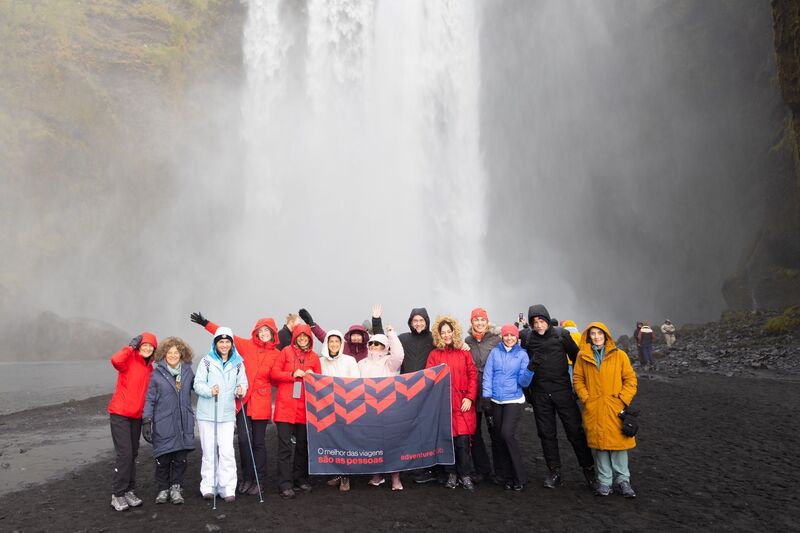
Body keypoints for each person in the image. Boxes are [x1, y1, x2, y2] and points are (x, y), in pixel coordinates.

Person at [190, 312, 280, 496]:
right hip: (243, 400)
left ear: (273, 333)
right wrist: (205, 323)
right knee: (244, 441)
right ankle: (247, 478)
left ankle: (259, 480)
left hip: (261, 402)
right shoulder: (246, 345)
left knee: (258, 443)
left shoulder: (276, 354)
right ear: (256, 331)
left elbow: (277, 378)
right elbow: (225, 336)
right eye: (261, 330)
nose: (264, 333)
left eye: (267, 331)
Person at [521, 304, 595, 489]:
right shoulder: (527, 338)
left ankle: (589, 470)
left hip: (563, 392)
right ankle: (554, 472)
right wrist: (527, 393)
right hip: (540, 394)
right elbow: (517, 359)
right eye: (534, 322)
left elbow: (578, 360)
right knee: (546, 434)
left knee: (575, 432)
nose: (538, 325)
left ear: (547, 319)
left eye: (541, 320)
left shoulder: (562, 335)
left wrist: (579, 387)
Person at [573, 322, 638, 498]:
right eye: (593, 334)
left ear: (606, 336)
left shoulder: (620, 355)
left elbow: (630, 380)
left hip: (615, 407)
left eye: (599, 333)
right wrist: (587, 399)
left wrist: (622, 399)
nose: (596, 337)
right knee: (600, 445)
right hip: (595, 407)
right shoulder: (582, 356)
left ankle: (623, 481)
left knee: (618, 445)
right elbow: (578, 379)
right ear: (589, 336)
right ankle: (604, 482)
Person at [193, 327, 247, 502]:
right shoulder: (206, 361)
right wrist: (209, 390)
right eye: (221, 341)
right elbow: (197, 384)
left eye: (227, 342)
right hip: (207, 414)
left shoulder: (238, 362)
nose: (224, 345)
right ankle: (208, 486)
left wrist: (241, 389)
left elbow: (243, 383)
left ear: (231, 343)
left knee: (227, 451)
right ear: (215, 343)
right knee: (209, 451)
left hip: (226, 414)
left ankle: (227, 488)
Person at [427, 315, 478, 491]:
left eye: (449, 332)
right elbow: (430, 379)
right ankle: (451, 474)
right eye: (443, 333)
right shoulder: (434, 355)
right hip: (444, 406)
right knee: (446, 442)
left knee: (463, 442)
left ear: (454, 332)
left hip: (462, 404)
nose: (447, 335)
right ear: (438, 335)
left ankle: (465, 475)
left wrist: (470, 397)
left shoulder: (464, 352)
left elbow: (473, 375)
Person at [142, 337, 195, 505]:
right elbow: (150, 399)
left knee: (180, 458)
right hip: (164, 421)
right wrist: (146, 420)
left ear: (181, 354)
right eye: (169, 352)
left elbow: (199, 387)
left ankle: (176, 488)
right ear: (164, 354)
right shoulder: (156, 374)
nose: (173, 355)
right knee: (163, 458)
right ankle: (163, 489)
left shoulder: (188, 371)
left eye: (176, 352)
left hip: (183, 420)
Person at [108, 332, 158, 511]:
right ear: (139, 346)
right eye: (144, 345)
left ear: (154, 349)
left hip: (136, 417)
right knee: (125, 454)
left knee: (133, 454)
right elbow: (115, 360)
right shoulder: (128, 360)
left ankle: (129, 490)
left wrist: (147, 420)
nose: (146, 348)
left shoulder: (151, 369)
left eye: (150, 346)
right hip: (120, 414)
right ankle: (118, 494)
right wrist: (129, 347)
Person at [271, 324, 321, 499]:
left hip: (305, 408)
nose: (302, 339)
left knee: (302, 446)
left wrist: (311, 375)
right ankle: (285, 483)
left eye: (305, 337)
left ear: (309, 338)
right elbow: (274, 373)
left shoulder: (315, 357)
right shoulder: (285, 352)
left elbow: (319, 383)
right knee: (285, 447)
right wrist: (292, 374)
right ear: (295, 338)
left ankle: (299, 478)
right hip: (285, 407)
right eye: (299, 336)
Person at [482, 324, 534, 491]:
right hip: (496, 400)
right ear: (502, 337)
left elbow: (523, 382)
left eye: (512, 335)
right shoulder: (495, 353)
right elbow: (488, 375)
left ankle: (520, 476)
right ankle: (508, 476)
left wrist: (530, 370)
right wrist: (486, 396)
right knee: (499, 437)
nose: (509, 338)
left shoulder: (522, 355)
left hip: (513, 400)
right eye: (506, 335)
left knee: (507, 435)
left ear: (517, 337)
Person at [394, 307, 438, 484]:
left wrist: (463, 344)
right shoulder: (403, 338)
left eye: (421, 320)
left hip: (428, 392)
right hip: (407, 392)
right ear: (410, 322)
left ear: (427, 321)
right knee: (409, 429)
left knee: (425, 429)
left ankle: (422, 469)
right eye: (415, 321)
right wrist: (377, 321)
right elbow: (384, 343)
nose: (418, 323)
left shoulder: (433, 338)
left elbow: (450, 344)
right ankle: (410, 467)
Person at [358, 328, 405, 490]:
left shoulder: (389, 363)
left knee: (392, 443)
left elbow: (399, 355)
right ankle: (377, 476)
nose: (373, 346)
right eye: (371, 343)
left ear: (384, 346)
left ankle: (395, 478)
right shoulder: (361, 364)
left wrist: (391, 334)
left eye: (377, 343)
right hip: (368, 410)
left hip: (388, 409)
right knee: (373, 443)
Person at [464, 307, 501, 483]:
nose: (479, 323)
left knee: (496, 431)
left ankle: (500, 470)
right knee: (475, 432)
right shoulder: (466, 342)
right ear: (471, 323)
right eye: (476, 320)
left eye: (482, 320)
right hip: (473, 392)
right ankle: (482, 469)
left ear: (487, 322)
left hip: (492, 393)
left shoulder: (496, 340)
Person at [319, 330, 360, 492]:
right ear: (327, 344)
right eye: (331, 341)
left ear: (341, 343)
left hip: (346, 407)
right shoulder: (321, 362)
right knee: (332, 441)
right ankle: (336, 473)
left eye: (337, 341)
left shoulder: (349, 361)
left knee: (345, 442)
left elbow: (355, 382)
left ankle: (346, 476)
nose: (334, 344)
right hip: (328, 408)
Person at [561, 320, 582, 384]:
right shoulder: (579, 335)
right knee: (577, 375)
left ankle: (570, 387)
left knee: (569, 374)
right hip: (577, 358)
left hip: (567, 359)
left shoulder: (564, 335)